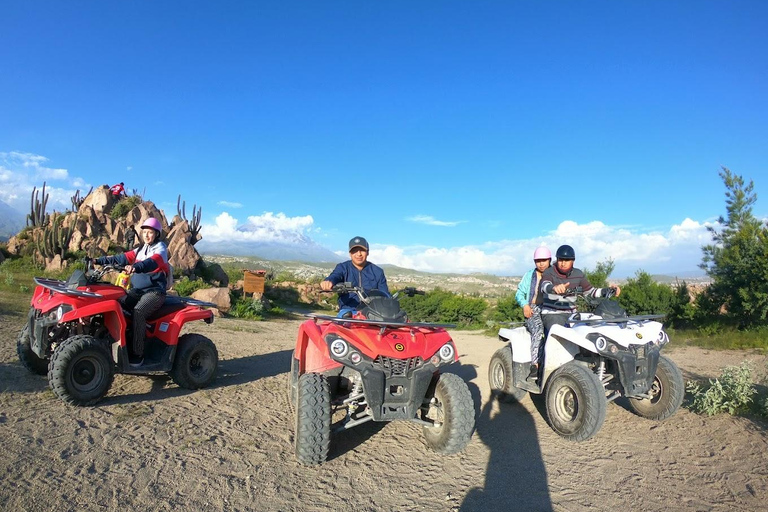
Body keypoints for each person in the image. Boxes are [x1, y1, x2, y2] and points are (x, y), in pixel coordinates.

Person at [94, 217, 169, 366]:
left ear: (157, 234)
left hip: (154, 292)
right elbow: (121, 258)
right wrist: (98, 261)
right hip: (137, 291)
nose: (147, 235)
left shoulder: (161, 248)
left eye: (150, 232)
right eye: (145, 232)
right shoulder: (140, 250)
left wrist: (136, 267)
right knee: (115, 303)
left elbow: (152, 262)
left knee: (139, 312)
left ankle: (138, 354)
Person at [539, 244, 621, 347]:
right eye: (560, 260)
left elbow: (591, 291)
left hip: (572, 314)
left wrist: (608, 290)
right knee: (559, 337)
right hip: (552, 313)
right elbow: (544, 285)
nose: (563, 263)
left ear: (573, 261)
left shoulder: (578, 274)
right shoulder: (549, 272)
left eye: (567, 260)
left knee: (588, 333)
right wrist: (554, 288)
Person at [320, 236, 389, 316]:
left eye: (362, 250)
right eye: (354, 251)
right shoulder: (343, 267)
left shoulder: (378, 271)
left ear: (368, 252)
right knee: (342, 323)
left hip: (373, 312)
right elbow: (335, 276)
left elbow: (385, 295)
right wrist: (329, 281)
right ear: (350, 253)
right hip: (348, 310)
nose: (359, 254)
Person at [515, 247, 552, 381]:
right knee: (538, 330)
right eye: (538, 261)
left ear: (549, 260)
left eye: (544, 260)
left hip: (552, 309)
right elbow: (519, 293)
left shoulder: (555, 274)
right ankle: (535, 366)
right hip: (534, 309)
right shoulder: (529, 275)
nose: (541, 263)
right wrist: (525, 305)